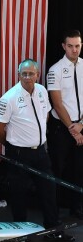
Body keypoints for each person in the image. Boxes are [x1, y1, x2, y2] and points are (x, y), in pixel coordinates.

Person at [0, 58, 74, 242]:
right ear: (18, 75)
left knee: (49, 189)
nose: (28, 77)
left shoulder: (42, 91)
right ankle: (21, 234)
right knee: (18, 194)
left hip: (40, 152)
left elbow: (45, 116)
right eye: (24, 74)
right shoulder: (8, 98)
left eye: (31, 73)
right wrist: (12, 146)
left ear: (38, 75)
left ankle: (53, 229)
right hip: (19, 153)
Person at [46, 30, 83, 219]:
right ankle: (54, 213)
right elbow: (57, 104)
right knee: (57, 169)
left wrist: (81, 125)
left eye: (77, 45)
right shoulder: (55, 70)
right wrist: (72, 128)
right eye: (70, 46)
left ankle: (77, 207)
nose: (74, 49)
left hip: (81, 127)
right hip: (62, 128)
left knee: (80, 169)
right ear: (63, 46)